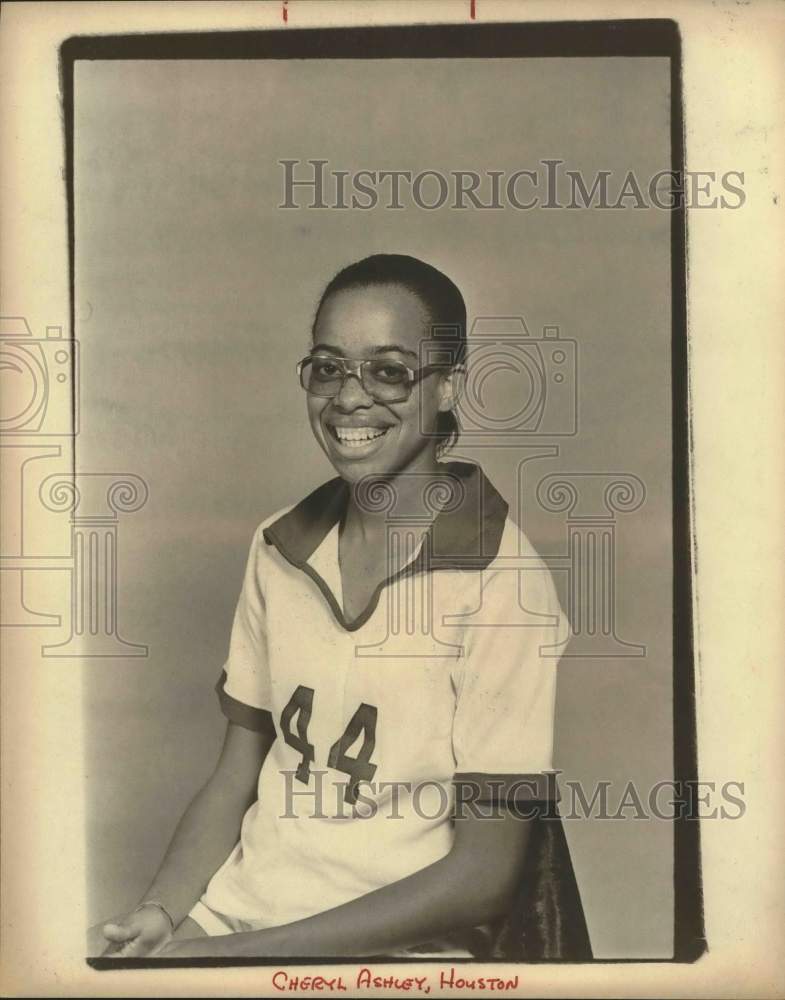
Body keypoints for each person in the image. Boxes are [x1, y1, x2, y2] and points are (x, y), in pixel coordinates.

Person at [90, 253, 587, 960]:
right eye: (327, 367)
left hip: (399, 949)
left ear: (446, 387)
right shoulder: (278, 545)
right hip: (240, 915)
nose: (348, 397)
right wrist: (165, 915)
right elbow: (238, 773)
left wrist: (239, 957)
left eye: (387, 370)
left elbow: (482, 877)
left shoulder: (501, 582)